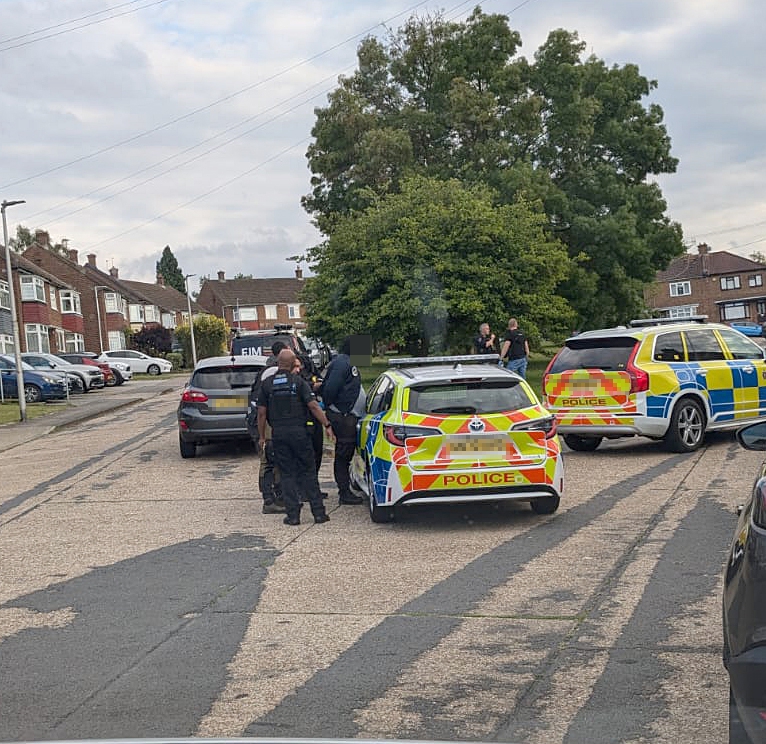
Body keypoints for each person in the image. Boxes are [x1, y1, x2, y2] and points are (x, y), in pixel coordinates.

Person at [257, 349, 334, 526]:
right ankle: (319, 513)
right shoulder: (298, 383)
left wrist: (262, 436)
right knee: (308, 471)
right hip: (300, 434)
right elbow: (314, 406)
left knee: (287, 474)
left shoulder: (268, 384)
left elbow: (261, 413)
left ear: (278, 363)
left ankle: (293, 516)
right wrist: (327, 425)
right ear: (292, 364)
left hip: (279, 435)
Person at [319, 336, 366, 505]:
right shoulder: (342, 363)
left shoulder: (346, 363)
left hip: (347, 417)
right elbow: (330, 389)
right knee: (343, 455)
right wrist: (339, 410)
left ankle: (346, 488)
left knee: (345, 454)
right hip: (343, 418)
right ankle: (344, 492)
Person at [247, 341, 288, 514]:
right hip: (264, 420)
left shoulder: (269, 369)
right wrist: (262, 434)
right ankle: (269, 499)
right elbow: (263, 406)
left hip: (268, 419)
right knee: (268, 460)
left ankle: (278, 496)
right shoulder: (272, 372)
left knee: (276, 459)